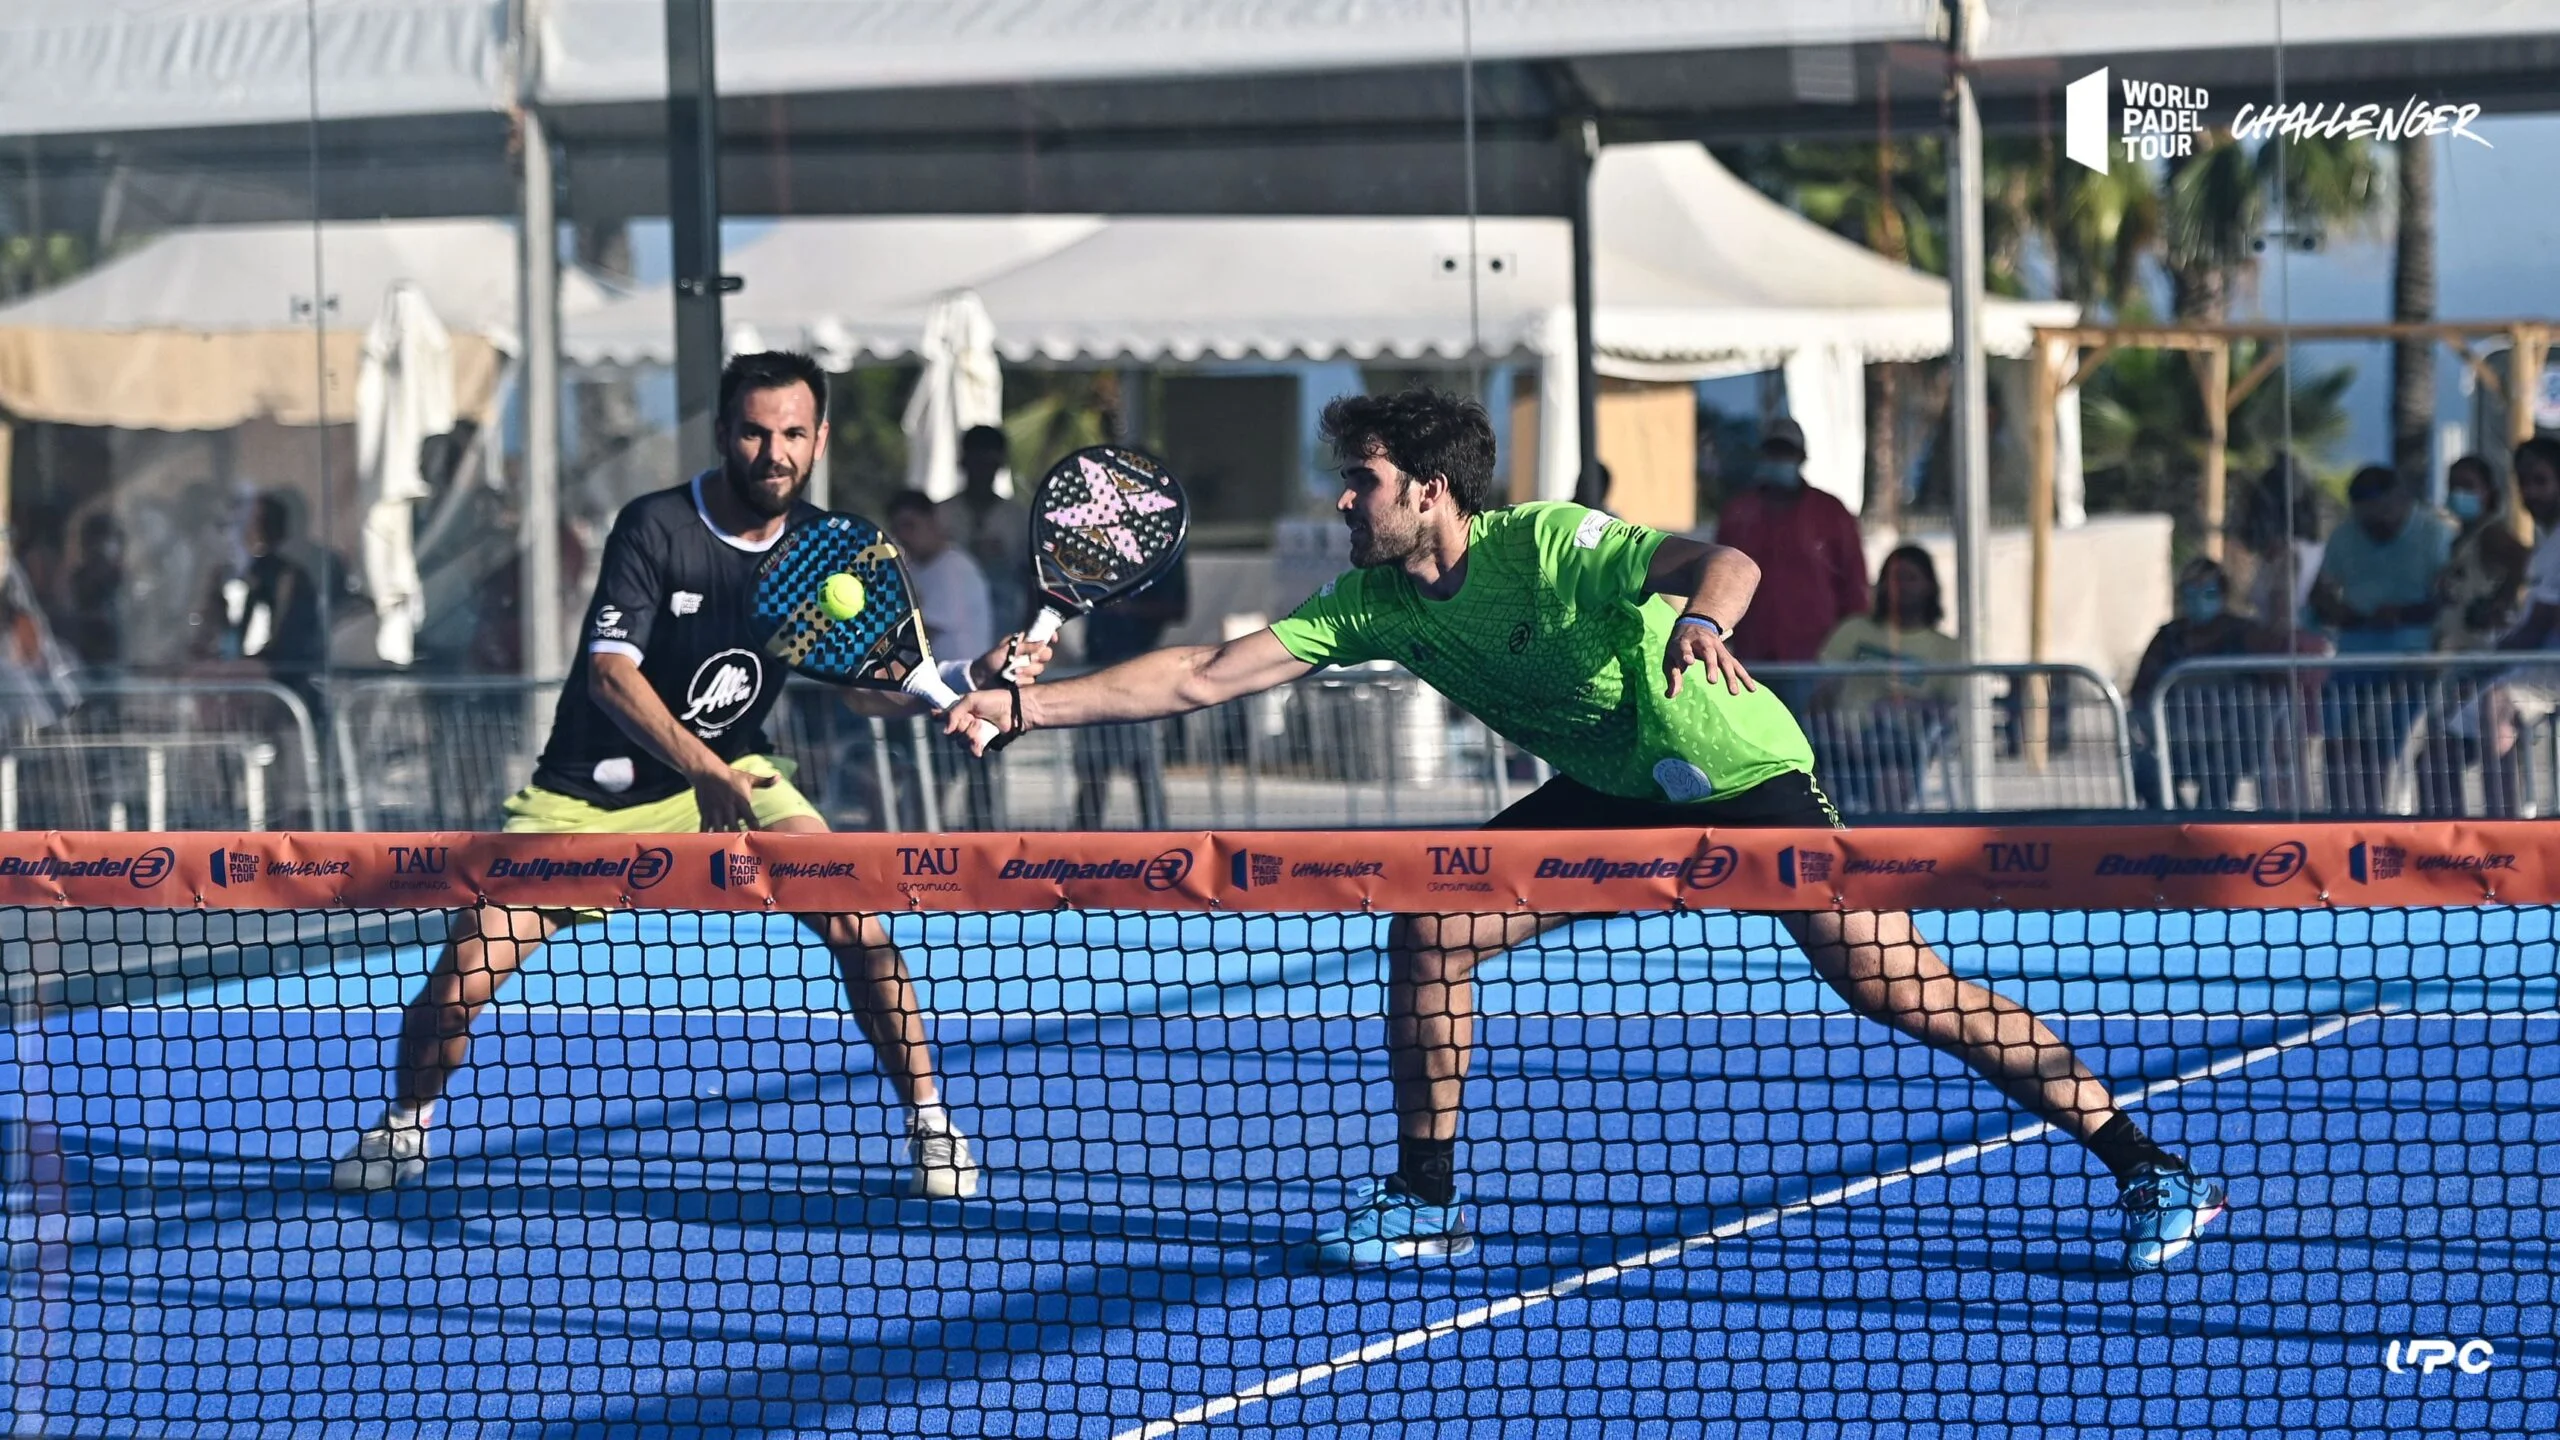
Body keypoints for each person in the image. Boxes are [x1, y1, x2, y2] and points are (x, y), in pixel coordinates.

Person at [943, 388, 2225, 1274]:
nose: (1345, 501)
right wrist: (1023, 707)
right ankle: (1424, 1197)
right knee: (1435, 928)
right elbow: (1205, 676)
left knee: (1898, 988)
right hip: (1607, 796)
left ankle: (2143, 1163)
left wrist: (1706, 622)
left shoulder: (1547, 545)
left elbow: (1717, 559)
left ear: (1430, 491)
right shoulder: (1379, 603)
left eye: (1363, 481)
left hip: (1735, 775)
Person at [332, 352, 1049, 1199]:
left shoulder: (827, 550)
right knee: (463, 979)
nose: (772, 452)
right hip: (585, 799)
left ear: (817, 441)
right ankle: (404, 1126)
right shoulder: (656, 528)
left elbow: (866, 693)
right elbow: (610, 673)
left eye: (791, 434)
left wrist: (967, 675)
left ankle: (932, 1127)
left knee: (861, 927)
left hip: (740, 774)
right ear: (723, 434)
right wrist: (703, 767)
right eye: (753, 432)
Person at [2308, 466, 2453, 812]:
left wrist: (2404, 614)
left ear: (2401, 499)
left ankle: (2380, 818)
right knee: (2337, 740)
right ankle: (2340, 818)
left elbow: (2451, 597)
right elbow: (2321, 593)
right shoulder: (2344, 536)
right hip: (2355, 653)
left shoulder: (2436, 534)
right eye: (2367, 512)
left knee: (2385, 739)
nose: (2378, 519)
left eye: (2385, 509)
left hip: (2414, 656)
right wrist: (2340, 611)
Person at [1711, 418, 1869, 718]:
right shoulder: (1738, 514)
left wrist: (1851, 646)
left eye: (1787, 452)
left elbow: (1855, 583)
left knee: (1814, 745)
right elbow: (1718, 578)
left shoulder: (1830, 513)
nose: (1780, 459)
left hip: (1816, 659)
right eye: (1774, 451)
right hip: (1752, 657)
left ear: (1801, 457)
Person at [2128, 558, 2293, 810]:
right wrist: (2153, 727)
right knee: (2145, 768)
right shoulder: (2169, 638)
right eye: (2190, 592)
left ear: (2223, 594)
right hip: (2179, 741)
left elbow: (2275, 679)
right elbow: (2141, 690)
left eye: (2208, 592)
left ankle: (2208, 827)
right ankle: (2174, 824)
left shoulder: (2244, 633)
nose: (2199, 599)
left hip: (2231, 743)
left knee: (2223, 768)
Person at [2418, 455, 2531, 815]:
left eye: (2468, 486)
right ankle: (2452, 834)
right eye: (2453, 485)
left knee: (2477, 753)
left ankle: (2503, 833)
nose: (2457, 493)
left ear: (2489, 493)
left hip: (2480, 662)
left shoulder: (2492, 533)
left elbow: (2524, 560)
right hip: (2456, 658)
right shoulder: (2459, 540)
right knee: (2443, 758)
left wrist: (2500, 600)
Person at [1811, 545, 1959, 814]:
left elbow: (1949, 707)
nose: (1901, 586)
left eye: (1910, 577)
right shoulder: (1853, 630)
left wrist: (1910, 706)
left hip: (1900, 742)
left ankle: (1885, 832)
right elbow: (1822, 688)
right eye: (1894, 578)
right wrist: (1828, 725)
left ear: (1929, 586)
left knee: (1891, 742)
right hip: (1841, 740)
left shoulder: (1947, 649)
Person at [887, 488, 998, 829]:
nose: (905, 535)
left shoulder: (953, 569)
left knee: (965, 791)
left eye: (911, 525)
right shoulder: (915, 569)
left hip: (967, 695)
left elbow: (919, 633)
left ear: (934, 522)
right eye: (898, 528)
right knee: (924, 786)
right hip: (933, 699)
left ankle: (982, 854)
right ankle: (915, 848)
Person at [1072, 550, 1190, 828]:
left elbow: (1178, 607)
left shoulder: (1163, 551)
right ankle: (1081, 843)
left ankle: (1157, 837)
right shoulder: (1094, 547)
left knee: (1144, 763)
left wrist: (1126, 608)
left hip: (1139, 665)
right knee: (1092, 767)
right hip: (1097, 665)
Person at [939, 424, 1035, 631]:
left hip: (1005, 622)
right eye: (976, 462)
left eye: (988, 463)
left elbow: (1033, 578)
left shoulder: (1018, 517)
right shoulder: (939, 515)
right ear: (963, 462)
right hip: (950, 618)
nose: (982, 471)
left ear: (1000, 465)